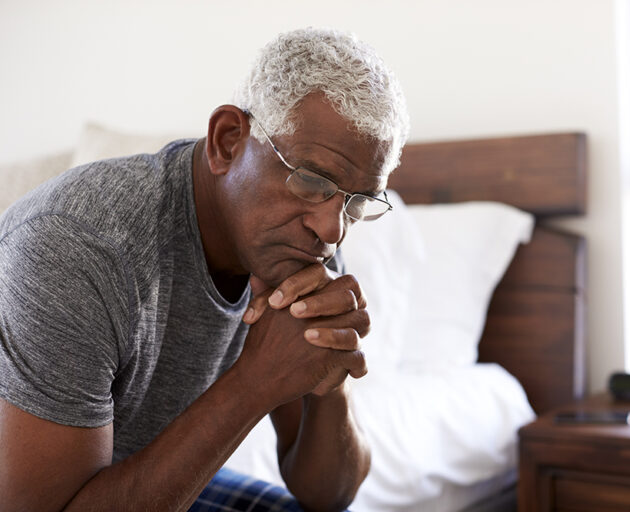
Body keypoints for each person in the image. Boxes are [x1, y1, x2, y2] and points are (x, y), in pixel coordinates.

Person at [0, 27, 409, 512]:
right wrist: (256, 382)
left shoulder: (305, 239)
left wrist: (329, 374)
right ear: (228, 141)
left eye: (357, 202)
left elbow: (328, 496)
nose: (334, 229)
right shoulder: (81, 245)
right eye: (312, 180)